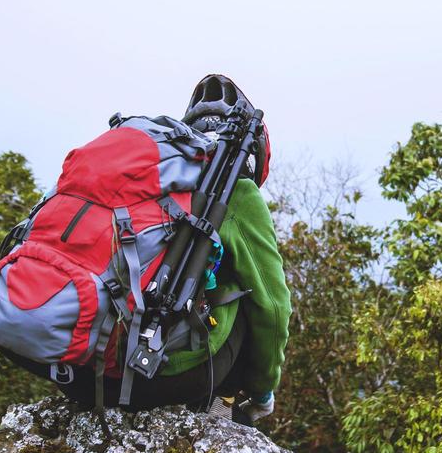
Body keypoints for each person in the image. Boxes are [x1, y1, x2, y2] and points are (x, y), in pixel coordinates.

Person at [55, 75, 291, 422]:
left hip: (72, 367)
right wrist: (262, 392)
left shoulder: (144, 177)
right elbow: (273, 309)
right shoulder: (237, 191)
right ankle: (219, 414)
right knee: (247, 296)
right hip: (150, 382)